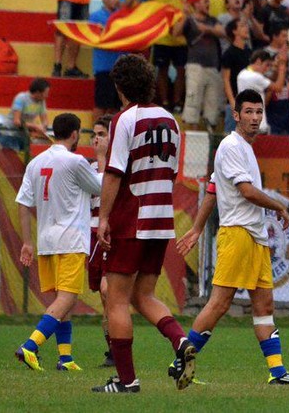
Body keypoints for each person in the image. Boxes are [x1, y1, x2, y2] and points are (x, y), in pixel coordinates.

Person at [175, 89, 289, 385]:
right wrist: (278, 205)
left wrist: (196, 228)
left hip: (256, 237)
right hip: (237, 234)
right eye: (248, 112)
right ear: (236, 115)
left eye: (258, 112)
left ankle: (278, 373)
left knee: (264, 306)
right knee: (220, 304)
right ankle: (179, 362)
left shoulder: (244, 148)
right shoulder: (231, 145)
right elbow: (246, 191)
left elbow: (212, 189)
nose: (254, 118)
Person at [92, 54, 195, 393]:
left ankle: (126, 380)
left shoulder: (124, 119)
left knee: (117, 299)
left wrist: (104, 217)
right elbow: (171, 172)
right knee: (144, 294)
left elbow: (114, 173)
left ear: (120, 86)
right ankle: (180, 341)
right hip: (160, 219)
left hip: (131, 218)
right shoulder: (171, 120)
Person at [14, 113, 102, 372]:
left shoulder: (36, 163)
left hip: (46, 240)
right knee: (68, 298)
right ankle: (30, 346)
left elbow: (23, 202)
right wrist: (104, 159)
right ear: (75, 134)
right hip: (71, 239)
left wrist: (27, 242)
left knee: (62, 301)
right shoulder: (76, 162)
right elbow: (99, 187)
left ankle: (65, 359)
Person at [172, 0, 225, 130]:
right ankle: (193, 137)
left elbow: (223, 32)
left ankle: (210, 135)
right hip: (195, 66)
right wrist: (184, 16)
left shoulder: (212, 20)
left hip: (213, 67)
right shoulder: (189, 20)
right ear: (196, 4)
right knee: (193, 101)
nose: (208, 4)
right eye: (205, 1)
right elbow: (175, 32)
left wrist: (207, 29)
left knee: (212, 103)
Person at [88, 116, 114, 367]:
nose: (97, 138)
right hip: (90, 238)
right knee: (103, 296)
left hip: (109, 237)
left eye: (102, 134)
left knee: (109, 291)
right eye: (94, 134)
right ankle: (113, 349)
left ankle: (117, 348)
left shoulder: (117, 170)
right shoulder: (87, 170)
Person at [152, 0, 188, 111]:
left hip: (180, 41)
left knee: (181, 70)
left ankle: (178, 101)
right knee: (162, 70)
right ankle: (165, 101)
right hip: (163, 39)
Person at [90, 0, 125, 120]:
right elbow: (94, 37)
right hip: (103, 66)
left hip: (119, 66)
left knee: (116, 105)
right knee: (101, 103)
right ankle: (96, 133)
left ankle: (112, 133)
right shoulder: (95, 17)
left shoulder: (122, 16)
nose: (115, 0)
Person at [237, 49, 287, 134]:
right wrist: (282, 66)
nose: (267, 69)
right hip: (258, 127)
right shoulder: (256, 77)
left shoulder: (242, 74)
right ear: (258, 61)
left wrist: (275, 70)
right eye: (266, 65)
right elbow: (278, 88)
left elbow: (268, 83)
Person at [0, 78, 50, 151]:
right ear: (38, 92)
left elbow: (45, 120)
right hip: (10, 134)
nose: (47, 96)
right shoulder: (21, 98)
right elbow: (17, 122)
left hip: (24, 135)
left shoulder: (41, 101)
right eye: (46, 93)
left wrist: (43, 126)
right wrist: (35, 126)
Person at [221, 18, 251, 133]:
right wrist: (232, 102)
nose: (246, 28)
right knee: (230, 137)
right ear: (234, 31)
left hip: (248, 103)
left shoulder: (249, 52)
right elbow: (226, 79)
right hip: (234, 103)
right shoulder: (229, 53)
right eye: (242, 26)